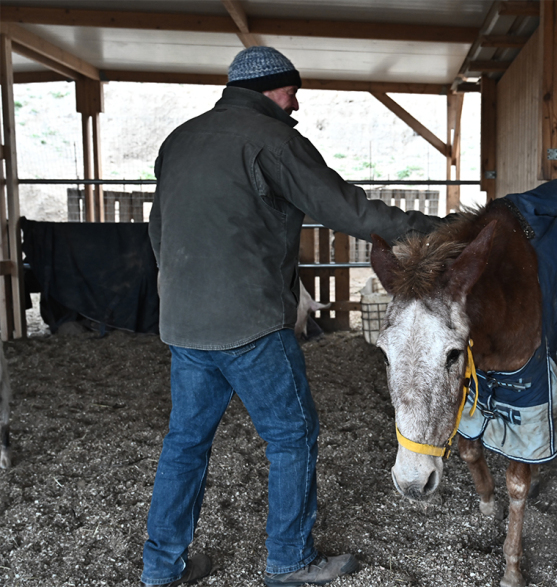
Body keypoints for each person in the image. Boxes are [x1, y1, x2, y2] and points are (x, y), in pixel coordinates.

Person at [141, 46, 442, 587]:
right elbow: (345, 209)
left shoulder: (180, 139)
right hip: (250, 323)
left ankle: (162, 567)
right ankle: (289, 561)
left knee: (185, 443)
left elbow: (158, 231)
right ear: (271, 88)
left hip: (185, 326)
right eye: (292, 90)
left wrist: (181, 293)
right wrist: (435, 229)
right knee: (292, 437)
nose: (297, 100)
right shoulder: (273, 140)